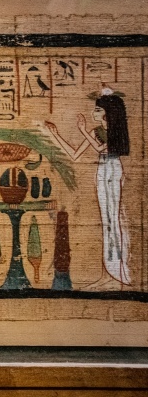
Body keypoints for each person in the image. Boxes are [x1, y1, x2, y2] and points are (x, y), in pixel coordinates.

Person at [46, 86, 130, 289]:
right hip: (102, 172)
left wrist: (83, 130)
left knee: (112, 222)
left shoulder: (115, 131)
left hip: (112, 171)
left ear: (109, 112)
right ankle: (107, 274)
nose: (94, 113)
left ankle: (116, 275)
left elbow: (101, 148)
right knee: (105, 222)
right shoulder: (96, 132)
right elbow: (74, 154)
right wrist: (55, 134)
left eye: (98, 110)